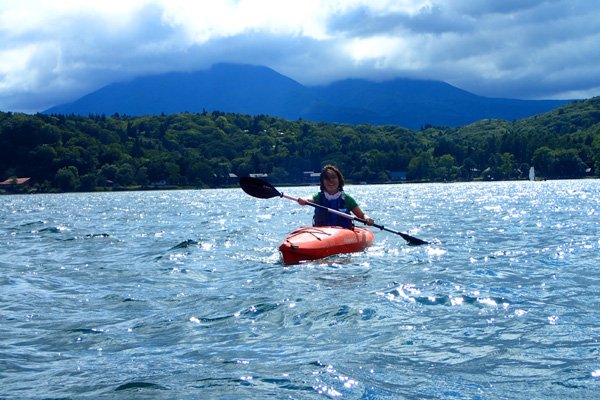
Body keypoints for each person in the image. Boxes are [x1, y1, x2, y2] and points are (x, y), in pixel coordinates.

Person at [298, 165, 374, 228]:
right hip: (322, 233)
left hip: (343, 233)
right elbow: (308, 198)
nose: (330, 181)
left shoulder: (347, 198)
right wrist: (303, 200)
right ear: (323, 182)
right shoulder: (318, 197)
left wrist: (367, 218)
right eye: (327, 179)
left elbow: (361, 215)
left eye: (333, 178)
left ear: (339, 180)